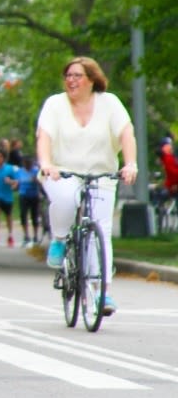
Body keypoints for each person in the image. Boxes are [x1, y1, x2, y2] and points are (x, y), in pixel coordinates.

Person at [37, 56, 137, 315]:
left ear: (92, 80)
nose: (71, 80)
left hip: (101, 175)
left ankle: (102, 292)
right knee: (66, 199)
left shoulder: (109, 103)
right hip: (62, 173)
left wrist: (130, 164)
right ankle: (60, 239)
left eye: (77, 76)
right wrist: (47, 163)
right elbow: (44, 137)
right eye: (68, 76)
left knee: (101, 231)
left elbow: (126, 134)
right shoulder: (55, 104)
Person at [16, 155, 42, 247]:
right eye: (26, 163)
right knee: (23, 215)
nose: (28, 165)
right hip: (23, 195)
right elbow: (17, 182)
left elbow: (41, 182)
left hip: (34, 195)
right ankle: (26, 235)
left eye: (29, 163)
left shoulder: (36, 171)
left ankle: (35, 235)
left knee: (34, 215)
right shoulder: (19, 171)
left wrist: (36, 180)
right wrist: (14, 184)